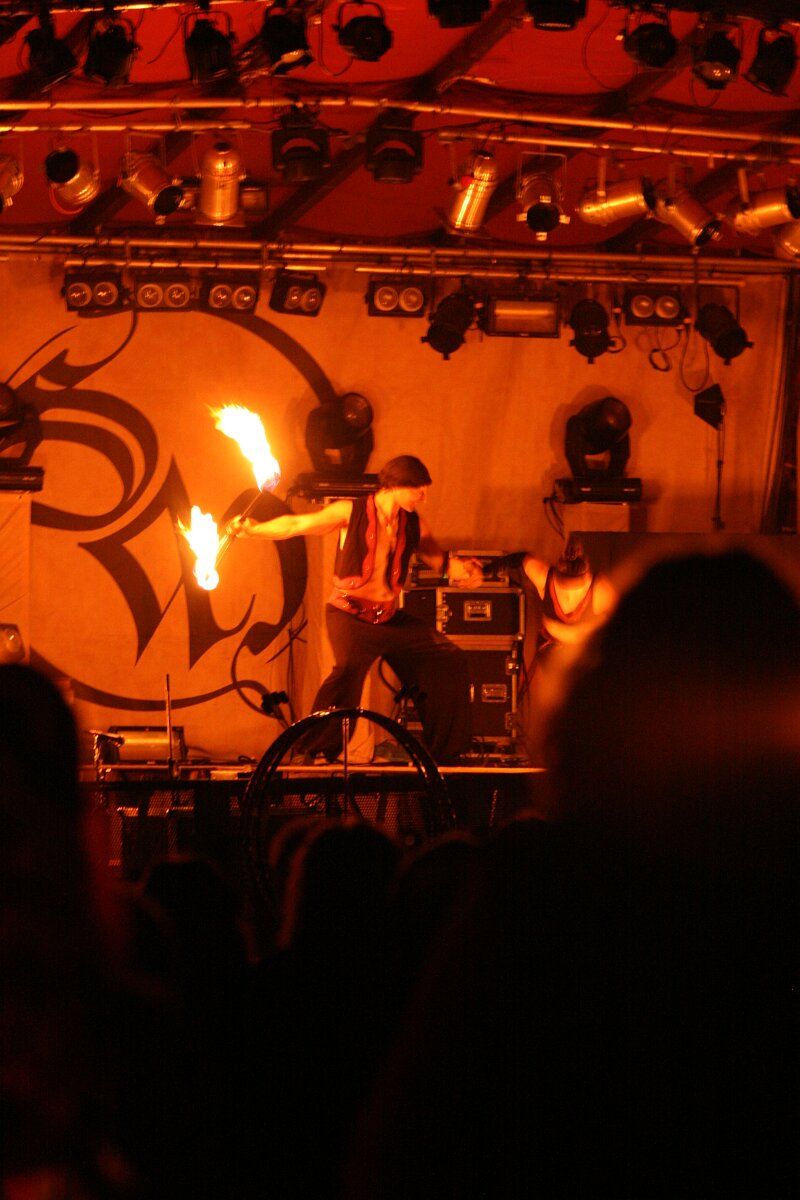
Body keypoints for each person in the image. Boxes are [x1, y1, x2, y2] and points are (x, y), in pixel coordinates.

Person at [226, 454, 483, 763]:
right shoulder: (351, 511)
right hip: (350, 617)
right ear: (395, 484)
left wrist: (464, 570)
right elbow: (296, 524)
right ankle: (316, 751)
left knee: (447, 658)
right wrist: (255, 529)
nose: (423, 497)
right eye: (418, 489)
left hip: (389, 620)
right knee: (347, 674)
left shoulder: (413, 523)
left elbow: (441, 562)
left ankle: (447, 753)